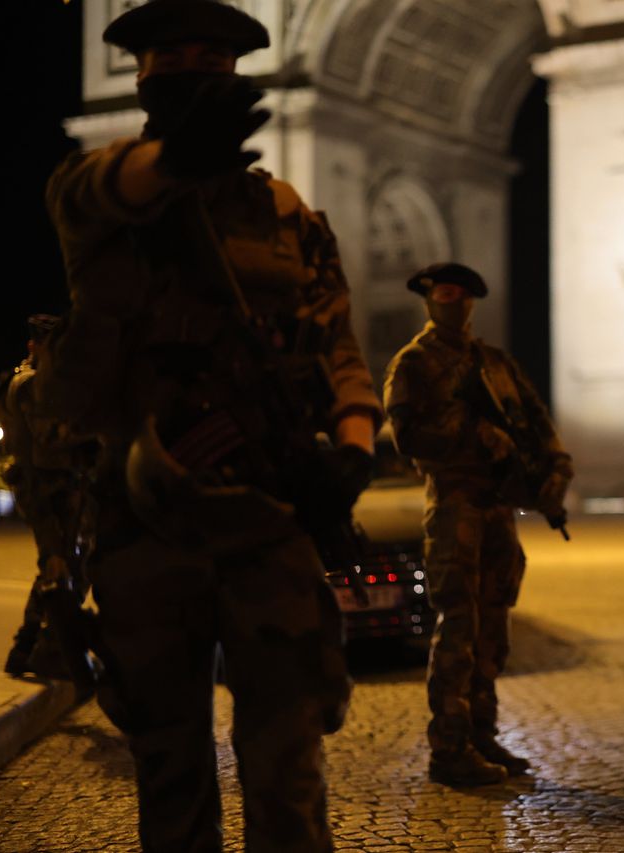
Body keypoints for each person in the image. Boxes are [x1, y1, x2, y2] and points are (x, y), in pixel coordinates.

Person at [34, 0, 382, 849]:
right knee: (170, 762)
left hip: (269, 514)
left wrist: (353, 448)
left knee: (289, 763)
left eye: (214, 55)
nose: (195, 66)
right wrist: (176, 163)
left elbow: (336, 338)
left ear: (238, 73)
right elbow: (104, 187)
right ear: (142, 76)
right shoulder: (103, 189)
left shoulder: (288, 212)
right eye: (174, 54)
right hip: (146, 516)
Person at [383, 262, 572, 787]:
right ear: (429, 299)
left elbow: (534, 425)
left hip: (496, 509)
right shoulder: (413, 364)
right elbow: (407, 439)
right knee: (458, 629)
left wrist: (553, 472)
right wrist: (470, 433)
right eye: (444, 293)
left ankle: (481, 733)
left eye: (462, 295)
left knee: (494, 628)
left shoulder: (493, 362)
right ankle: (449, 747)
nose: (454, 302)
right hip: (454, 506)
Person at [0, 314, 96, 682]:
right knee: (61, 567)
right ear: (36, 346)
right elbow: (52, 443)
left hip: (48, 485)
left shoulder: (27, 380)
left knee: (62, 567)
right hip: (46, 488)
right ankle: (42, 648)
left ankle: (31, 647)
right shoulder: (30, 385)